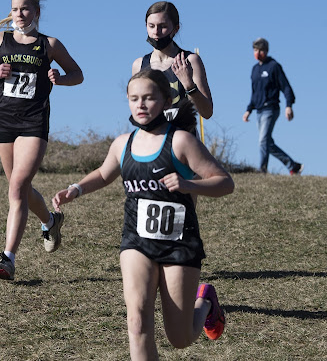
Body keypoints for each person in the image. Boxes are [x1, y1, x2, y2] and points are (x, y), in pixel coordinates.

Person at [52, 69, 233, 359]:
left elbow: (225, 183)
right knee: (136, 322)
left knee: (180, 338)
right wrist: (75, 189)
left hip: (179, 245)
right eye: (134, 98)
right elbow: (103, 173)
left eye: (149, 98)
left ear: (164, 100)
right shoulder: (123, 143)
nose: (141, 104)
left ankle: (206, 302)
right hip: (137, 241)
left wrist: (187, 184)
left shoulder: (181, 142)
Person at [0, 0, 84, 281]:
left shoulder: (49, 44)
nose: (18, 14)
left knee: (18, 185)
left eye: (24, 9)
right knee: (18, 188)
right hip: (4, 120)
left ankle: (8, 258)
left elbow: (78, 74)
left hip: (34, 122)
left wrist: (60, 78)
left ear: (36, 12)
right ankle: (50, 221)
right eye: (14, 9)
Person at [131, 1, 213, 125]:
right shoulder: (139, 65)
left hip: (183, 138)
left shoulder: (190, 60)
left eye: (162, 26)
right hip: (154, 141)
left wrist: (189, 86)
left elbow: (207, 113)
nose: (156, 32)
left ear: (176, 28)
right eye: (151, 26)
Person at [242, 37, 303, 175]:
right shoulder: (254, 70)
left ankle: (262, 170)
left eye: (261, 50)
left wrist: (289, 105)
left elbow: (286, 87)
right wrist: (248, 110)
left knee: (263, 141)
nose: (258, 53)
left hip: (271, 108)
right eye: (255, 50)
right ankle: (293, 166)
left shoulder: (274, 66)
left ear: (267, 51)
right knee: (267, 143)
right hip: (258, 110)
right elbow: (254, 92)